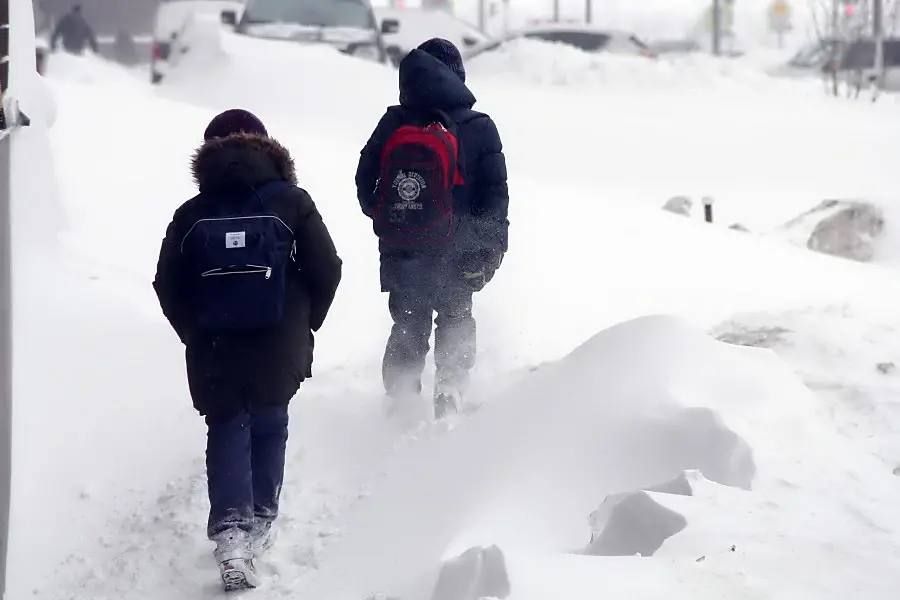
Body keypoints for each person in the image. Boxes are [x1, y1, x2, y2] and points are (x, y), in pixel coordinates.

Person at [153, 109, 342, 590]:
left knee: (227, 425)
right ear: (266, 146)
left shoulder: (192, 214)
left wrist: (193, 330)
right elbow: (328, 267)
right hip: (279, 336)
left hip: (214, 341)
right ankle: (261, 518)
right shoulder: (292, 202)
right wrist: (305, 320)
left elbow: (167, 282)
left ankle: (232, 534)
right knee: (269, 419)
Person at [356, 38, 509, 419]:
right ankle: (451, 392)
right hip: (460, 248)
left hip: (402, 247)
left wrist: (388, 219)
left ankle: (401, 399)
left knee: (408, 320)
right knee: (456, 315)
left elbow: (364, 182)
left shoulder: (393, 122)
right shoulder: (479, 126)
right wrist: (491, 248)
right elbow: (494, 196)